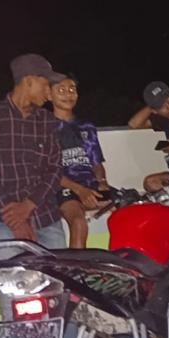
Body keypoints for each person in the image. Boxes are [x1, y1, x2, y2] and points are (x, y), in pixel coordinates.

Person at [0, 53, 66, 250]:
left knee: (59, 271)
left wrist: (29, 205)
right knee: (12, 270)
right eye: (46, 84)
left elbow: (55, 169)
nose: (49, 92)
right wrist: (17, 221)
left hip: (46, 218)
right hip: (4, 221)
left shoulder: (47, 121)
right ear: (29, 81)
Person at [49, 75, 110, 248]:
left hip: (90, 185)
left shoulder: (87, 127)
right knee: (78, 222)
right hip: (63, 188)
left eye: (72, 89)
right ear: (49, 95)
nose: (68, 94)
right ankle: (75, 265)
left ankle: (122, 261)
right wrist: (80, 191)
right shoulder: (45, 127)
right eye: (61, 90)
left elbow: (96, 163)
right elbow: (48, 171)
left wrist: (102, 182)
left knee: (129, 208)